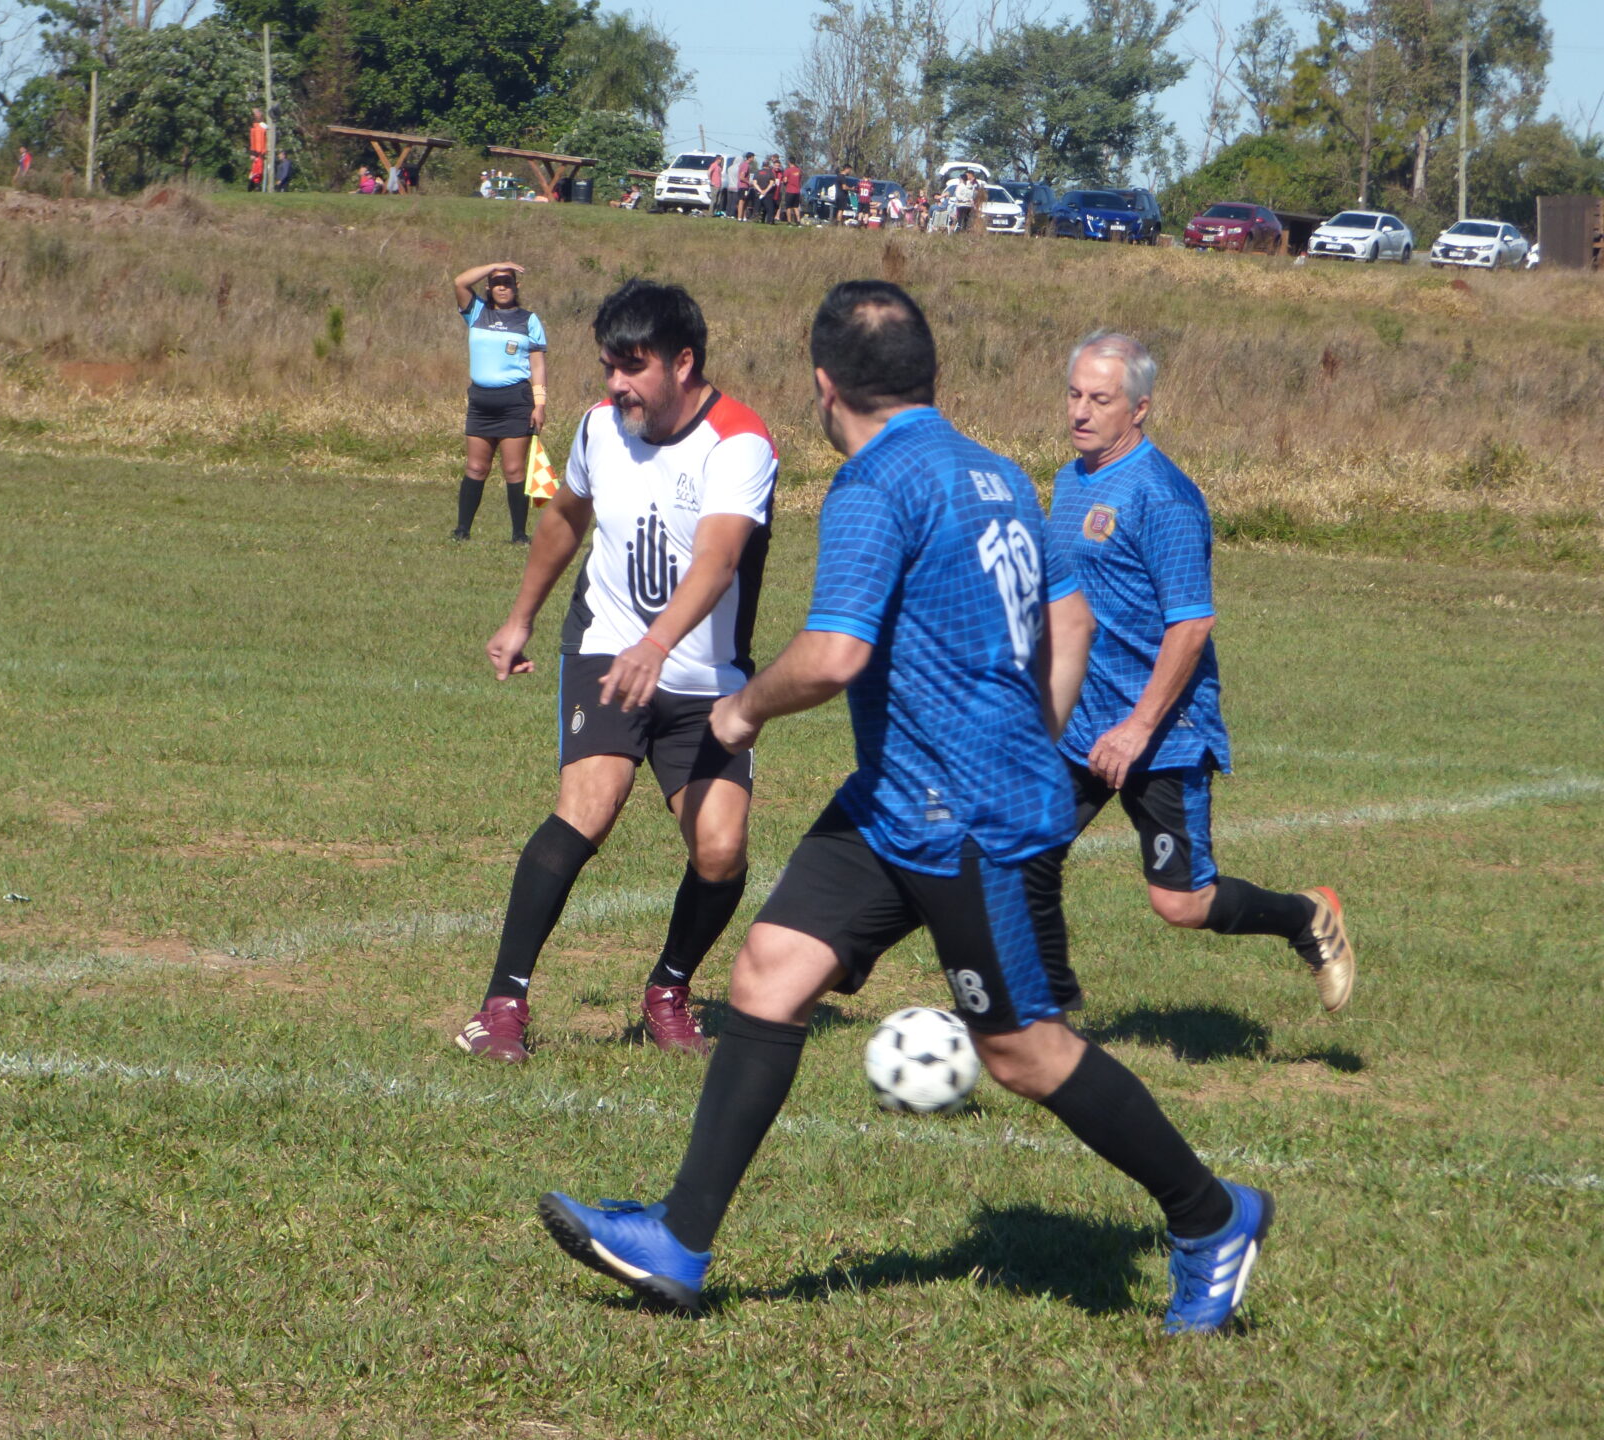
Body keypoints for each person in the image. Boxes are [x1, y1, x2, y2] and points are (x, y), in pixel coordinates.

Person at [536, 281, 1275, 1336]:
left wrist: (740, 711)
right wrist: (1034, 729)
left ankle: (1212, 1217)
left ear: (825, 387)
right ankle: (678, 1242)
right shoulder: (997, 471)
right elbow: (1069, 619)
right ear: (928, 376)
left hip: (971, 820)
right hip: (894, 799)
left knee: (1023, 1052)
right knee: (769, 972)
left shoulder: (875, 483)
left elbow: (834, 655)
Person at [456, 279, 778, 1063]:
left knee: (721, 850)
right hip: (606, 647)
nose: (616, 383)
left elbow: (718, 559)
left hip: (704, 678)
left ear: (683, 363)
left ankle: (668, 990)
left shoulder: (739, 442)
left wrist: (659, 646)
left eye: (633, 366)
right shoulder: (599, 427)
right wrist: (521, 617)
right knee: (588, 806)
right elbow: (565, 518)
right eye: (608, 365)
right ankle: (502, 1005)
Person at [1040, 332, 1356, 1011]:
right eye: (1074, 394)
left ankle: (1305, 916)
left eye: (1101, 399)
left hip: (1159, 733)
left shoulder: (1163, 497)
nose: (1081, 411)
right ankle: (1041, 1013)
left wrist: (1136, 728)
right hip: (1079, 725)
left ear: (1139, 408)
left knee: (1180, 903)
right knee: (1017, 852)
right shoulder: (1070, 479)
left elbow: (1191, 624)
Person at [450, 262, 549, 544]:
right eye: (496, 283)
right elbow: (459, 282)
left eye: (508, 282)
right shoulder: (477, 312)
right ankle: (462, 530)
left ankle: (519, 534)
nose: (502, 287)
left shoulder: (528, 320)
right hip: (481, 402)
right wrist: (495, 265)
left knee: (514, 470)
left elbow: (537, 365)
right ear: (488, 287)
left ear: (517, 286)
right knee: (476, 468)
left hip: (515, 402)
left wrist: (540, 404)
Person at [248, 109, 268, 191]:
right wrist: (253, 153)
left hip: (261, 151)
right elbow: (253, 141)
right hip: (257, 151)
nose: (256, 115)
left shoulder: (262, 126)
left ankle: (254, 185)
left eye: (257, 113)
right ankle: (255, 185)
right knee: (257, 169)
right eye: (255, 114)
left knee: (258, 169)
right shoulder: (254, 127)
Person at [734, 154, 754, 221]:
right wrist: (749, 182)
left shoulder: (742, 164)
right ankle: (739, 217)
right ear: (750, 158)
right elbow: (742, 177)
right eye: (753, 157)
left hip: (741, 186)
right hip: (743, 186)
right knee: (741, 201)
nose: (753, 159)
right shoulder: (746, 165)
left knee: (745, 201)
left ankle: (743, 217)